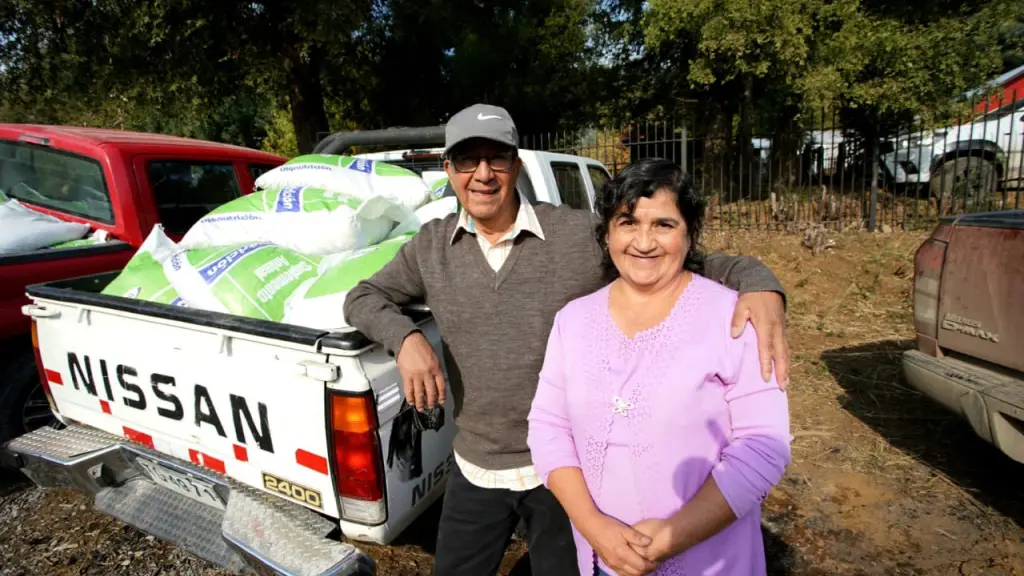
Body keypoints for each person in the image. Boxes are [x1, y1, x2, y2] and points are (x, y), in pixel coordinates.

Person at [342, 103, 790, 576]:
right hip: (477, 462)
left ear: (516, 165)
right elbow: (363, 297)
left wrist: (761, 284)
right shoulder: (430, 247)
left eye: (496, 158)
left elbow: (671, 256)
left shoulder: (572, 234)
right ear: (448, 169)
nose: (483, 174)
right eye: (467, 161)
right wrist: (407, 338)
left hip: (560, 470)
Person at [526, 158, 792, 576]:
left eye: (664, 225)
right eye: (628, 223)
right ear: (608, 233)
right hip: (603, 560)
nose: (644, 242)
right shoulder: (572, 320)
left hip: (710, 562)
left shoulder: (734, 318)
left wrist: (670, 537)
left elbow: (763, 448)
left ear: (689, 234)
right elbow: (547, 426)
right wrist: (593, 527)